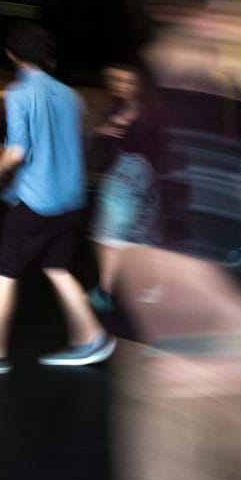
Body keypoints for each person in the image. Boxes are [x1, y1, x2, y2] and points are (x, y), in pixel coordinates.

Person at [0, 22, 115, 375]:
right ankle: (92, 338)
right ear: (49, 57)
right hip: (71, 200)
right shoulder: (72, 96)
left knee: (5, 273)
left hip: (35, 200)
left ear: (12, 54)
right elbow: (80, 146)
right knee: (57, 268)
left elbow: (17, 152)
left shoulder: (19, 92)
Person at [86, 64, 163, 311]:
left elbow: (157, 145)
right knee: (125, 235)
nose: (121, 86)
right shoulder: (117, 107)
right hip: (125, 176)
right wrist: (102, 131)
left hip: (135, 177)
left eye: (127, 81)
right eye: (116, 80)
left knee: (115, 235)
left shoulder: (151, 111)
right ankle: (115, 290)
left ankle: (117, 290)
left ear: (139, 83)